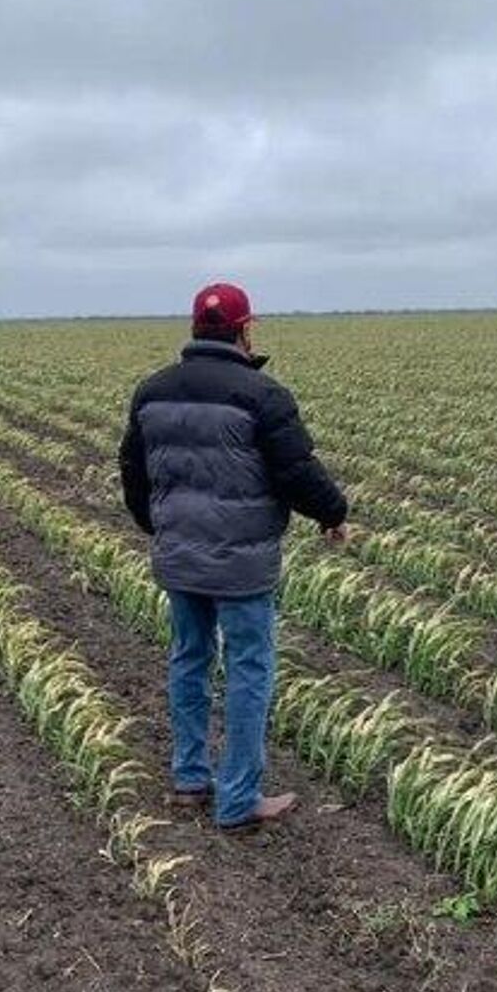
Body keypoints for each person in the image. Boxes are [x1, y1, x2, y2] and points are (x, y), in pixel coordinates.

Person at [118, 282, 349, 832]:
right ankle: (239, 799)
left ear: (196, 327)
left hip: (179, 555)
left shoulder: (152, 392)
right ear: (244, 330)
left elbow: (132, 472)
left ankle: (190, 780)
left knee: (188, 658)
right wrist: (333, 512)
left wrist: (161, 526)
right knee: (248, 668)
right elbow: (296, 471)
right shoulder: (262, 394)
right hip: (241, 563)